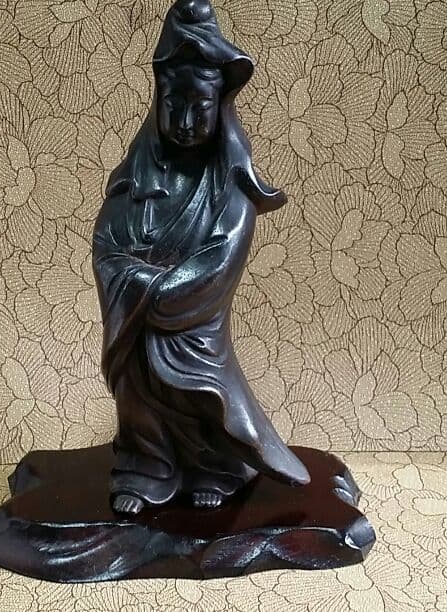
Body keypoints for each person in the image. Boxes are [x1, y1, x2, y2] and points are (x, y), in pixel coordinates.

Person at [92, 0, 310, 514]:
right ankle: (147, 467)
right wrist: (133, 280)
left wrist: (152, 290)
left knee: (202, 395)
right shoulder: (138, 177)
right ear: (157, 101)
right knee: (138, 385)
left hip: (192, 328)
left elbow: (217, 265)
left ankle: (216, 467)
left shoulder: (229, 188)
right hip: (137, 326)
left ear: (220, 105)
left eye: (200, 105)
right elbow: (107, 244)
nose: (187, 121)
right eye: (175, 104)